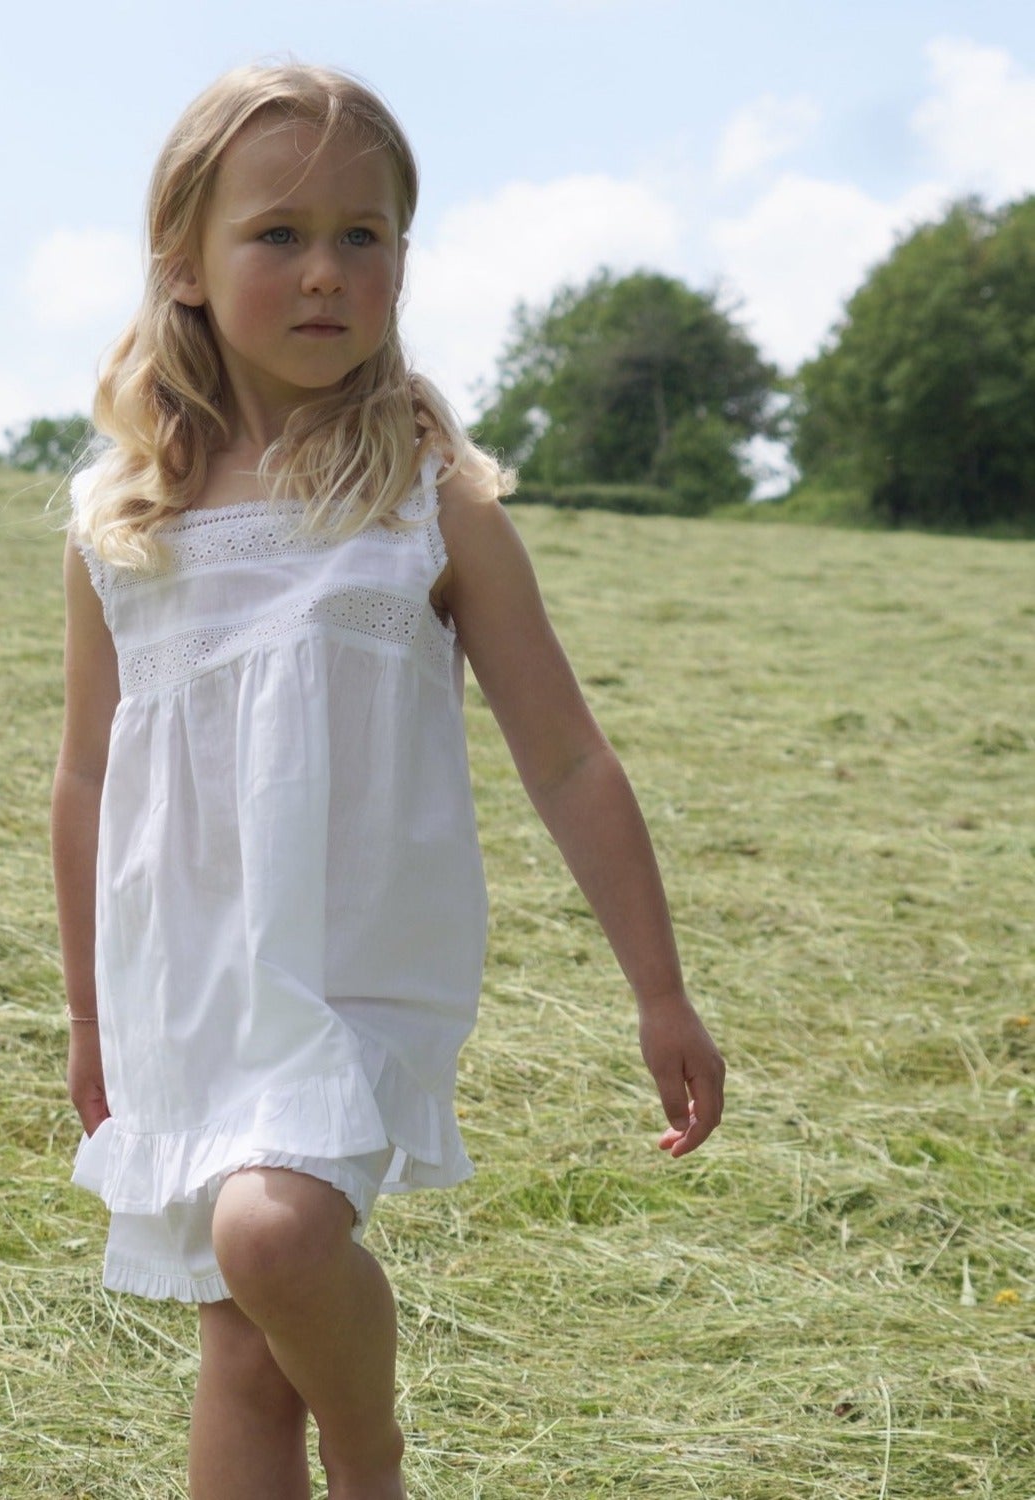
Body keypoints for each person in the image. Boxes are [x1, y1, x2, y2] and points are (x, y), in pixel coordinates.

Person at [50, 60, 725, 1500]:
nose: (326, 271)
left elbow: (567, 756)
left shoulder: (428, 500)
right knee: (242, 1349)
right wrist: (90, 1017)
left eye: (363, 234)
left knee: (273, 1237)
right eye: (279, 234)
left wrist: (659, 989)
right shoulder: (120, 521)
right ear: (184, 262)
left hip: (354, 971)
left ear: (402, 262)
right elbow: (88, 780)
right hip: (188, 984)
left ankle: (369, 1454)